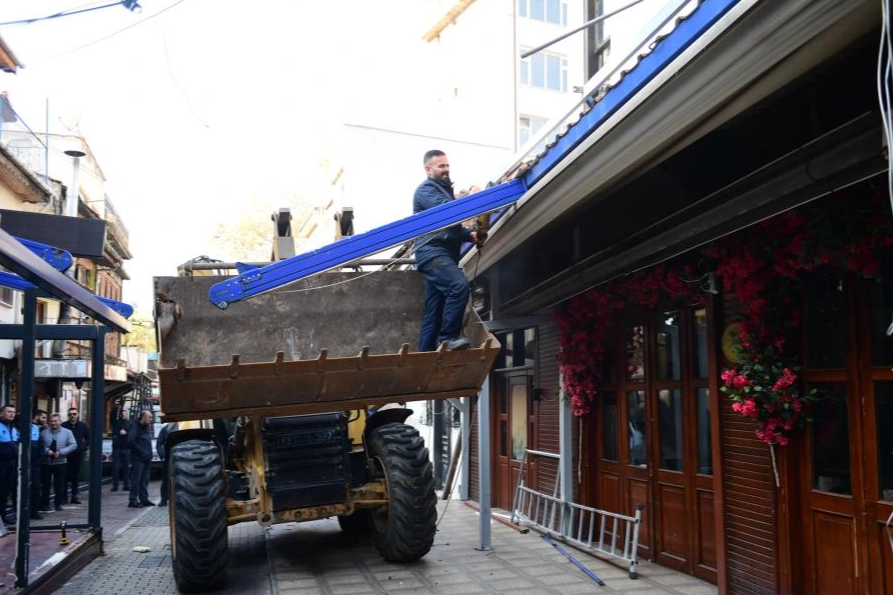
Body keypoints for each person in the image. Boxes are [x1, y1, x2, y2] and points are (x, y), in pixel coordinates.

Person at [412, 150, 481, 352]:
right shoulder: (426, 190)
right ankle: (448, 339)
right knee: (458, 286)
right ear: (428, 169)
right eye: (441, 166)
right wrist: (473, 197)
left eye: (447, 165)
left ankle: (424, 357)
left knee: (434, 312)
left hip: (441, 255)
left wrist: (469, 235)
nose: (446, 169)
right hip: (433, 253)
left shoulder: (443, 191)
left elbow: (450, 227)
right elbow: (448, 212)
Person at [40, 413, 77, 512]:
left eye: (55, 421)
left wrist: (61, 452)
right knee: (45, 484)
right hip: (46, 463)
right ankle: (45, 504)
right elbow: (40, 445)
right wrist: (47, 451)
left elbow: (73, 445)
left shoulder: (67, 432)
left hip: (61, 462)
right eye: (51, 421)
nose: (53, 423)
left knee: (59, 484)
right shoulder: (44, 432)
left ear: (60, 421)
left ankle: (58, 504)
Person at [62, 407, 90, 505]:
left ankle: (74, 496)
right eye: (70, 414)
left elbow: (88, 438)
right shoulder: (64, 425)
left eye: (74, 414)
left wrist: (83, 447)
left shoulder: (83, 425)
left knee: (75, 476)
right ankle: (64, 497)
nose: (72, 416)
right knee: (65, 476)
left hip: (77, 454)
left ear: (77, 415)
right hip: (66, 454)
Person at [127, 410, 155, 508]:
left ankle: (144, 499)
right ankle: (133, 500)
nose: (151, 419)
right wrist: (142, 453)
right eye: (149, 417)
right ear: (143, 418)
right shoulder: (135, 427)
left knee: (144, 480)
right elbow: (131, 442)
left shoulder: (145, 427)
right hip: (138, 459)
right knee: (136, 480)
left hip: (145, 459)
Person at [0, 404, 18, 525]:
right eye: (9, 412)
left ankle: (3, 515)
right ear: (2, 413)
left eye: (13, 412)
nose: (11, 414)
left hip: (11, 463)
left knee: (6, 490)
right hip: (2, 463)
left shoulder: (13, 427)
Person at [28, 410, 47, 520]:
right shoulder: (23, 426)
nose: (45, 420)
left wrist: (40, 458)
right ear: (36, 417)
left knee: (35, 486)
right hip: (25, 462)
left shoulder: (37, 428)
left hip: (35, 463)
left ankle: (34, 510)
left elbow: (41, 444)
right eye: (43, 418)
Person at [155, 422, 177, 506]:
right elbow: (158, 444)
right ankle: (163, 499)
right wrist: (162, 456)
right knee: (166, 478)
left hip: (178, 456)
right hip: (168, 457)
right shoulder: (165, 429)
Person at [110, 409, 130, 492]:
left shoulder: (129, 424)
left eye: (125, 414)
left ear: (127, 415)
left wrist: (126, 433)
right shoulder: (116, 423)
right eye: (122, 414)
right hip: (117, 448)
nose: (124, 415)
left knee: (126, 468)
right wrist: (116, 407)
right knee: (116, 468)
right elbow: (112, 417)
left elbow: (132, 434)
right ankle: (115, 485)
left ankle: (126, 485)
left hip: (126, 448)